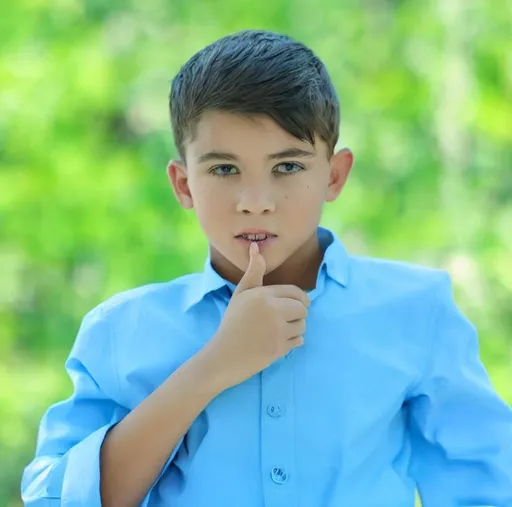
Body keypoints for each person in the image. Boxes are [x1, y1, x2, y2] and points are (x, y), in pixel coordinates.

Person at [21, 29, 512, 507]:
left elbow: (488, 487)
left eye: (288, 167)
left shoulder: (415, 311)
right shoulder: (119, 331)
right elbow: (57, 499)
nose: (255, 203)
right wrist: (214, 365)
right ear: (183, 183)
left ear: (334, 175)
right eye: (224, 169)